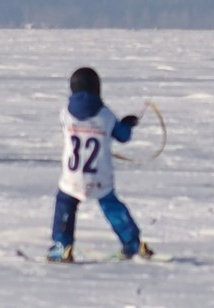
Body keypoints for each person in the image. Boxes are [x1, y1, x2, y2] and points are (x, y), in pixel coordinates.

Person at [48, 65, 151, 261]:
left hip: (73, 175)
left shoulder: (65, 114)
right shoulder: (105, 114)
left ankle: (62, 245)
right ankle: (133, 243)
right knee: (112, 206)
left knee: (65, 204)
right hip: (99, 175)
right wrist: (127, 123)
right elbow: (123, 136)